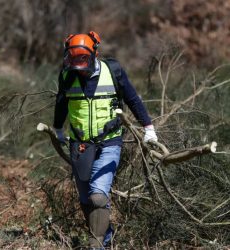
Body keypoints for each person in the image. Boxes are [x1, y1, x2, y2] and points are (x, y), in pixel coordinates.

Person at [53, 31, 158, 249]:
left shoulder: (113, 71)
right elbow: (61, 103)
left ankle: (97, 244)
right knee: (85, 199)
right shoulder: (66, 75)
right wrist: (57, 128)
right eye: (74, 59)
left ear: (94, 54)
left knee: (98, 196)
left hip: (110, 141)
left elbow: (132, 99)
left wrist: (148, 127)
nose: (78, 65)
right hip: (80, 143)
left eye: (82, 59)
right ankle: (105, 233)